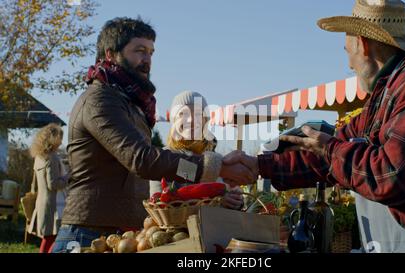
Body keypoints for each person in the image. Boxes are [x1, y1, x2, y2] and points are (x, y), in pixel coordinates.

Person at [226, 0, 405, 252]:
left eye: (346, 50)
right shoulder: (389, 89)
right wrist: (259, 166)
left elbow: (392, 175)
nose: (349, 64)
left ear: (362, 45)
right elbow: (328, 155)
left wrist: (329, 149)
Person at [52, 17, 254, 253]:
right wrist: (215, 168)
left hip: (123, 233)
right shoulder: (100, 100)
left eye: (150, 52)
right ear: (110, 54)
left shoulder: (131, 104)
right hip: (87, 234)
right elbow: (143, 160)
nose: (147, 60)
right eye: (139, 51)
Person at [149, 91, 244, 210]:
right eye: (182, 114)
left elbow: (224, 193)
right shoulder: (165, 158)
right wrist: (216, 202)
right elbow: (159, 206)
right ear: (173, 121)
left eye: (198, 114)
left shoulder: (216, 159)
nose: (190, 120)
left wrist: (234, 200)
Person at [29, 123, 69, 253]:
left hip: (42, 203)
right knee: (52, 239)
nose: (61, 141)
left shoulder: (39, 157)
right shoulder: (52, 158)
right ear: (53, 139)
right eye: (60, 138)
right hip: (53, 206)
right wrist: (69, 177)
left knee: (48, 239)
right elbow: (54, 184)